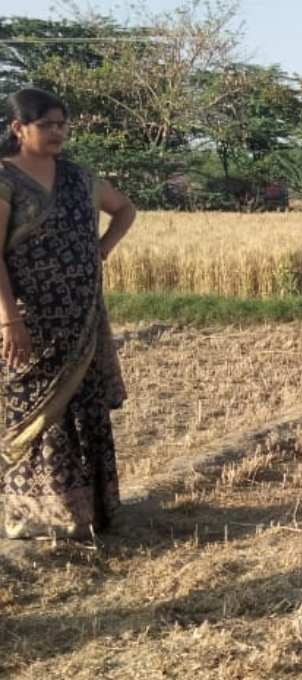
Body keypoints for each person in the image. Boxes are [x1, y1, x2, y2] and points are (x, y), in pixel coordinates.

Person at [0, 88, 135, 539]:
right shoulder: (5, 180)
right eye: (47, 125)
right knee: (36, 417)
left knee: (85, 411)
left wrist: (103, 248)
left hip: (82, 318)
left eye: (62, 124)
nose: (57, 132)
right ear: (19, 129)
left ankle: (89, 514)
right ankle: (36, 517)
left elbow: (124, 210)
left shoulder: (80, 177)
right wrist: (9, 320)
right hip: (29, 323)